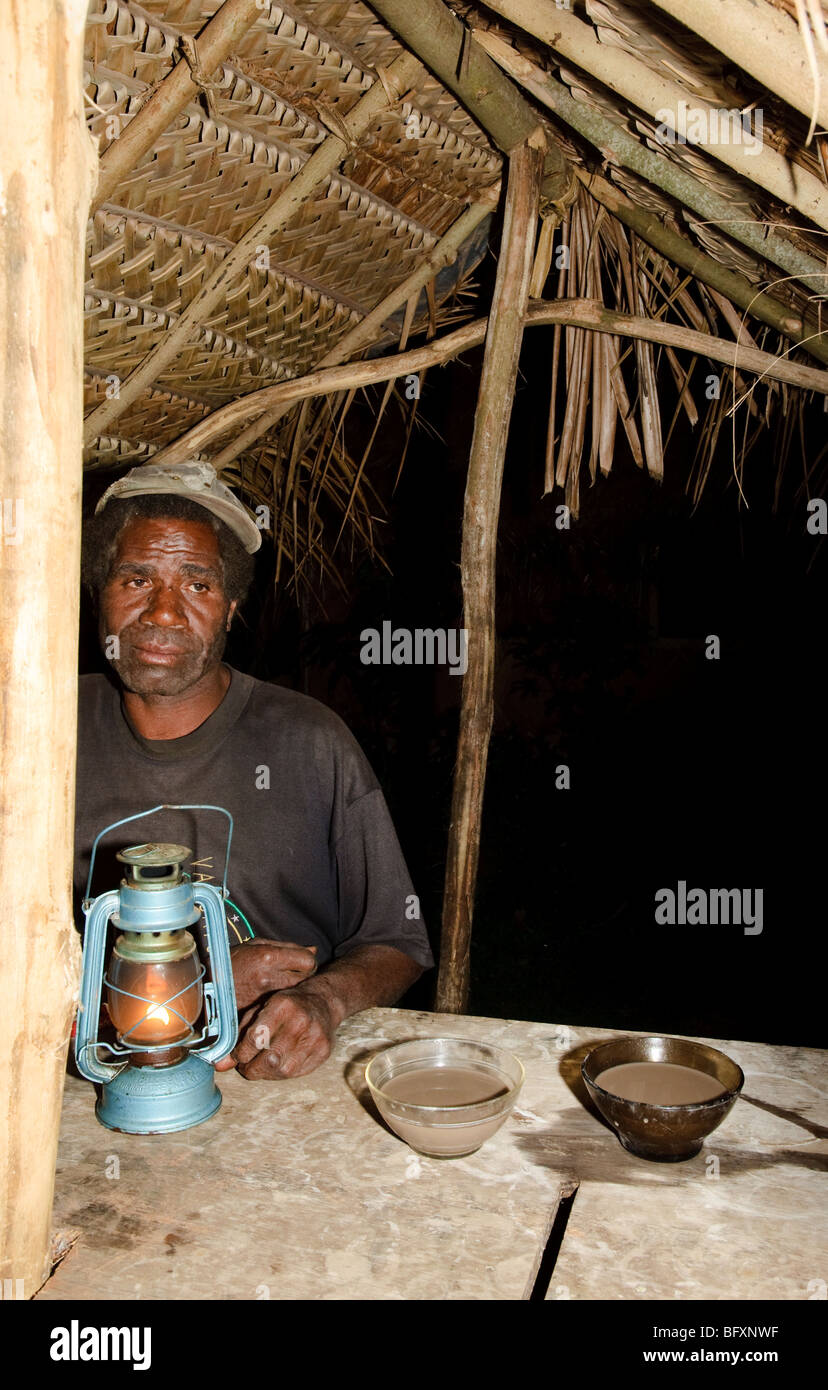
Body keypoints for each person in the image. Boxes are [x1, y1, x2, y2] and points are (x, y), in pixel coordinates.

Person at [75, 461, 433, 1081]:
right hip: (86, 1089)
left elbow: (398, 943)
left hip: (270, 1092)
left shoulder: (309, 743)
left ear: (232, 607)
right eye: (136, 579)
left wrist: (325, 998)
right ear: (99, 591)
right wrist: (205, 981)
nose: (163, 612)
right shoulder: (40, 733)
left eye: (198, 585)